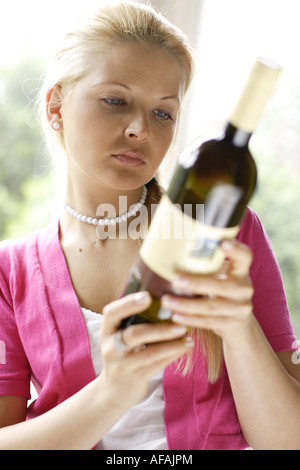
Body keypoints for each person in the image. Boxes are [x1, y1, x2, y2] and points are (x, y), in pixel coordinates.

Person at [0, 1, 299, 450]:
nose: (140, 128)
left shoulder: (223, 234)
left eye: (163, 112)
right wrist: (111, 393)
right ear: (56, 106)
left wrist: (239, 328)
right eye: (115, 100)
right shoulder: (11, 270)